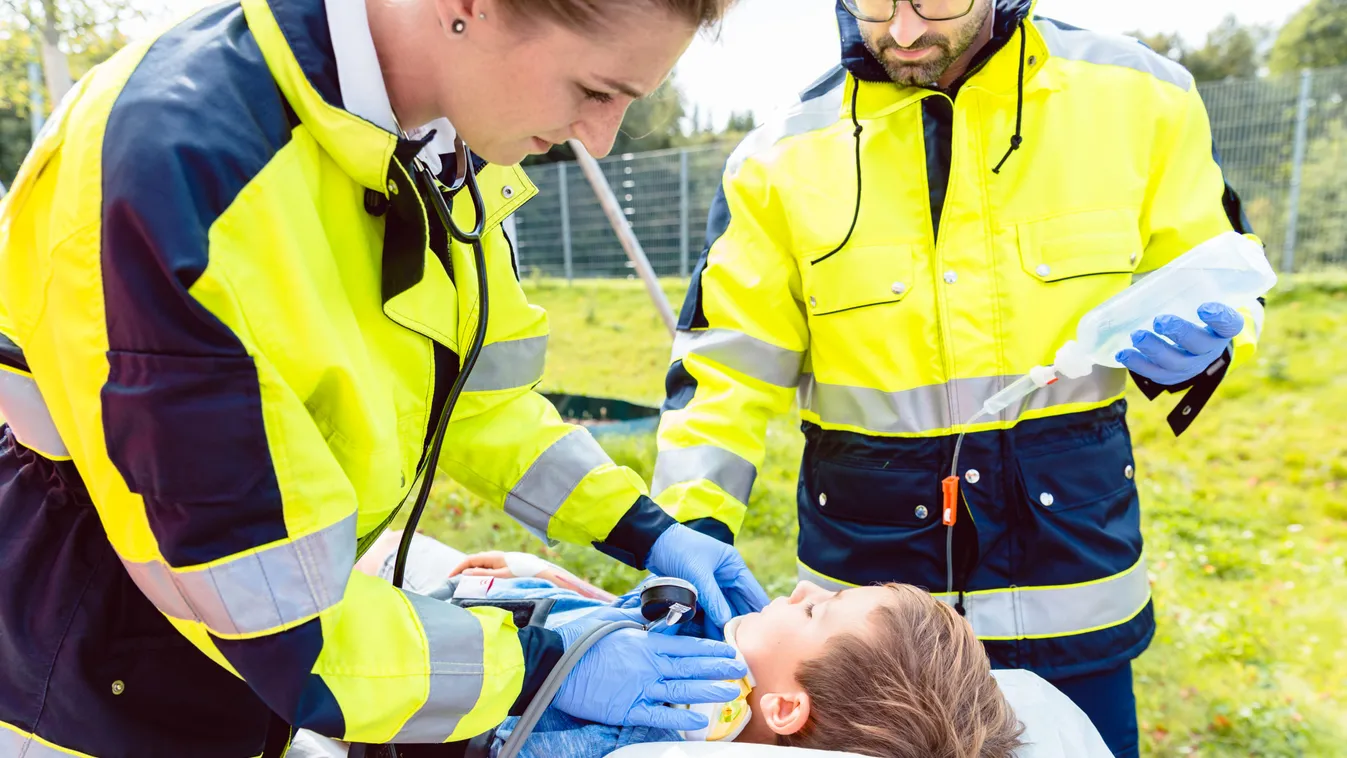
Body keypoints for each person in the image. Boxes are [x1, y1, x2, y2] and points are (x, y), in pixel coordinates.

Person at [0, 0, 771, 756]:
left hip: (235, 662)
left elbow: (481, 402)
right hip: (88, 680)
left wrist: (646, 530)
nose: (599, 140)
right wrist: (539, 666)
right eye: (595, 92)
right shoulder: (179, 173)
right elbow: (276, 616)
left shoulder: (434, 139)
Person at [651, 1, 1265, 756]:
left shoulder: (1141, 95)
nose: (903, 32)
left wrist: (1202, 347)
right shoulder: (779, 155)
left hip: (1071, 590)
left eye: (936, 0)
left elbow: (1221, 273)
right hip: (868, 640)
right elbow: (722, 377)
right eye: (876, 3)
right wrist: (688, 537)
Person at [294, 543, 1040, 758]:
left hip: (403, 683)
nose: (804, 590)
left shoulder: (663, 732)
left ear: (781, 708)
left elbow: (509, 732)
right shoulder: (699, 674)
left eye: (821, 612)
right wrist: (557, 587)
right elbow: (614, 635)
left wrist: (543, 645)